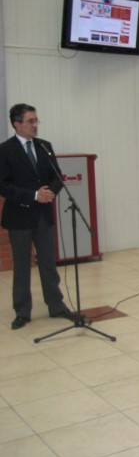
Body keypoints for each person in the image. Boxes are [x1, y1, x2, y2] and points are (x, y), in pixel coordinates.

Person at [0, 103, 75, 329]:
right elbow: (3, 186)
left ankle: (56, 305)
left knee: (48, 263)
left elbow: (57, 175)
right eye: (30, 121)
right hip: (19, 217)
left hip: (43, 215)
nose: (35, 125)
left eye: (36, 121)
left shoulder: (44, 146)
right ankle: (22, 311)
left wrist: (49, 193)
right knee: (22, 265)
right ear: (17, 124)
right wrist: (34, 195)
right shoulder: (5, 150)